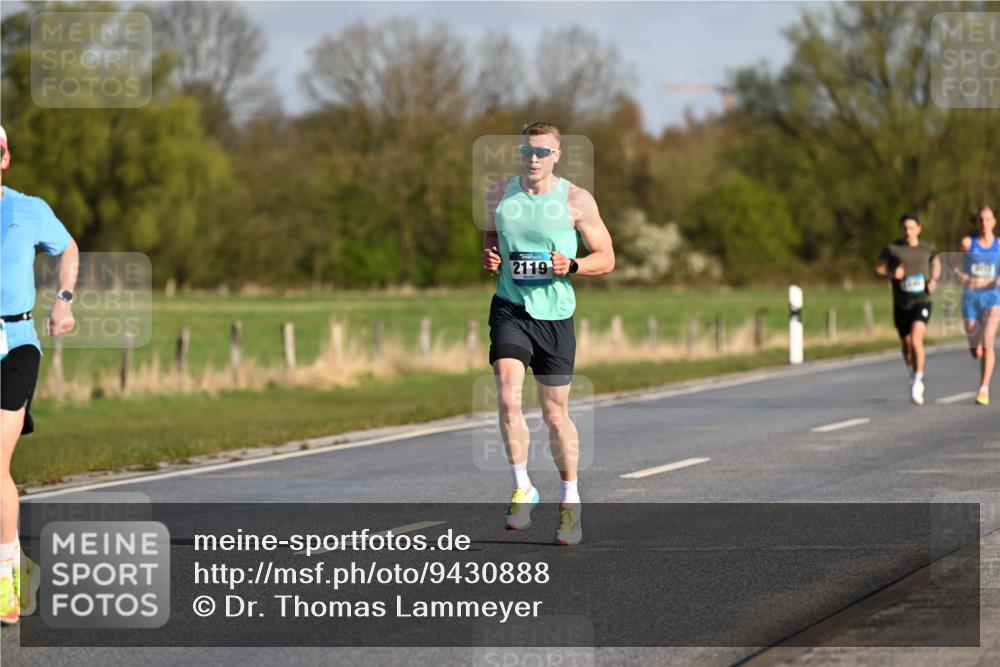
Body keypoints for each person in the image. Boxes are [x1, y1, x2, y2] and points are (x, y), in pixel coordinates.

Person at [481, 123, 614, 546]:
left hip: (555, 316)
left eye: (542, 152)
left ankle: (569, 500)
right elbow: (492, 234)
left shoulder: (577, 200)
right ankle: (522, 486)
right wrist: (489, 256)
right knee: (506, 395)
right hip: (511, 308)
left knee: (556, 415)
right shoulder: (499, 194)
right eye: (526, 151)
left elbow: (606, 257)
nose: (533, 159)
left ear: (557, 155)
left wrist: (571, 266)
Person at [0, 125, 79, 624]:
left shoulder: (29, 208)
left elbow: (68, 248)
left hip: (14, 344)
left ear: (4, 157)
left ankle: (6, 579)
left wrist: (63, 299)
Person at [875, 214, 941, 405]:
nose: (908, 232)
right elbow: (878, 270)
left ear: (919, 229)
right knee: (906, 345)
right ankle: (913, 374)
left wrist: (933, 280)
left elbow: (936, 264)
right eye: (904, 228)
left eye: (911, 228)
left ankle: (918, 381)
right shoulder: (892, 249)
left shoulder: (927, 248)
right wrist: (891, 274)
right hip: (901, 303)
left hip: (922, 300)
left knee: (916, 340)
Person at [956, 206, 1000, 405]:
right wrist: (961, 275)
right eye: (981, 219)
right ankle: (978, 354)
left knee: (988, 339)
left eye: (988, 219)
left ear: (994, 222)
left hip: (992, 298)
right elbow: (955, 265)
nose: (984, 223)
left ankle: (984, 388)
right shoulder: (967, 243)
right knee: (976, 350)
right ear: (977, 223)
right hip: (971, 298)